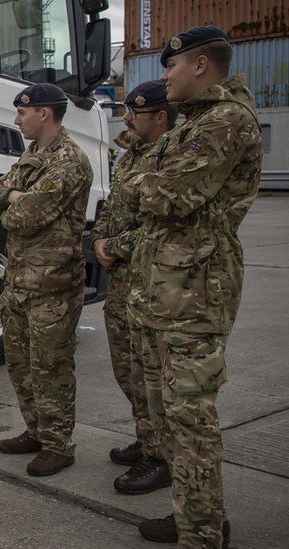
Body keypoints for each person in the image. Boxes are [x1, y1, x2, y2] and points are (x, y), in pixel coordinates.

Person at [126, 26, 262, 547]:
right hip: (170, 288)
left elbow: (171, 194)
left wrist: (144, 181)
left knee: (191, 419)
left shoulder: (225, 120)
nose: (165, 77)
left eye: (172, 67)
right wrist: (149, 180)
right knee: (172, 417)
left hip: (196, 290)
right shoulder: (197, 122)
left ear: (200, 65)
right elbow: (157, 184)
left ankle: (203, 533)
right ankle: (193, 514)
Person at [0, 83, 92, 477]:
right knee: (19, 363)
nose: (16, 120)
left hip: (54, 285)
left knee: (51, 367)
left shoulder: (70, 161)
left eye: (21, 113)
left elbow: (21, 215)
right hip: (20, 280)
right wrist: (14, 196)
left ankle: (59, 445)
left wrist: (14, 198)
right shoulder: (32, 156)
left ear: (44, 113)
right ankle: (36, 430)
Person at [92, 80, 178, 495]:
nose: (125, 118)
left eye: (134, 112)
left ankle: (161, 457)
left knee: (152, 376)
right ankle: (148, 438)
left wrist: (116, 245)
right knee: (128, 370)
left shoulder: (171, 155)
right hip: (124, 280)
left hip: (151, 278)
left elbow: (159, 225)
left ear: (160, 117)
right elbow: (112, 208)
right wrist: (99, 240)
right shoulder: (132, 155)